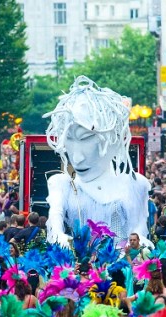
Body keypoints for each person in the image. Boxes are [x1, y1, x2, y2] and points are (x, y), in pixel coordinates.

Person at [44, 76, 151, 246]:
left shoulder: (136, 184)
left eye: (86, 138)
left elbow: (139, 231)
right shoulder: (61, 184)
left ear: (112, 139)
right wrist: (62, 240)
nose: (77, 158)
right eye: (69, 139)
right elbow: (55, 226)